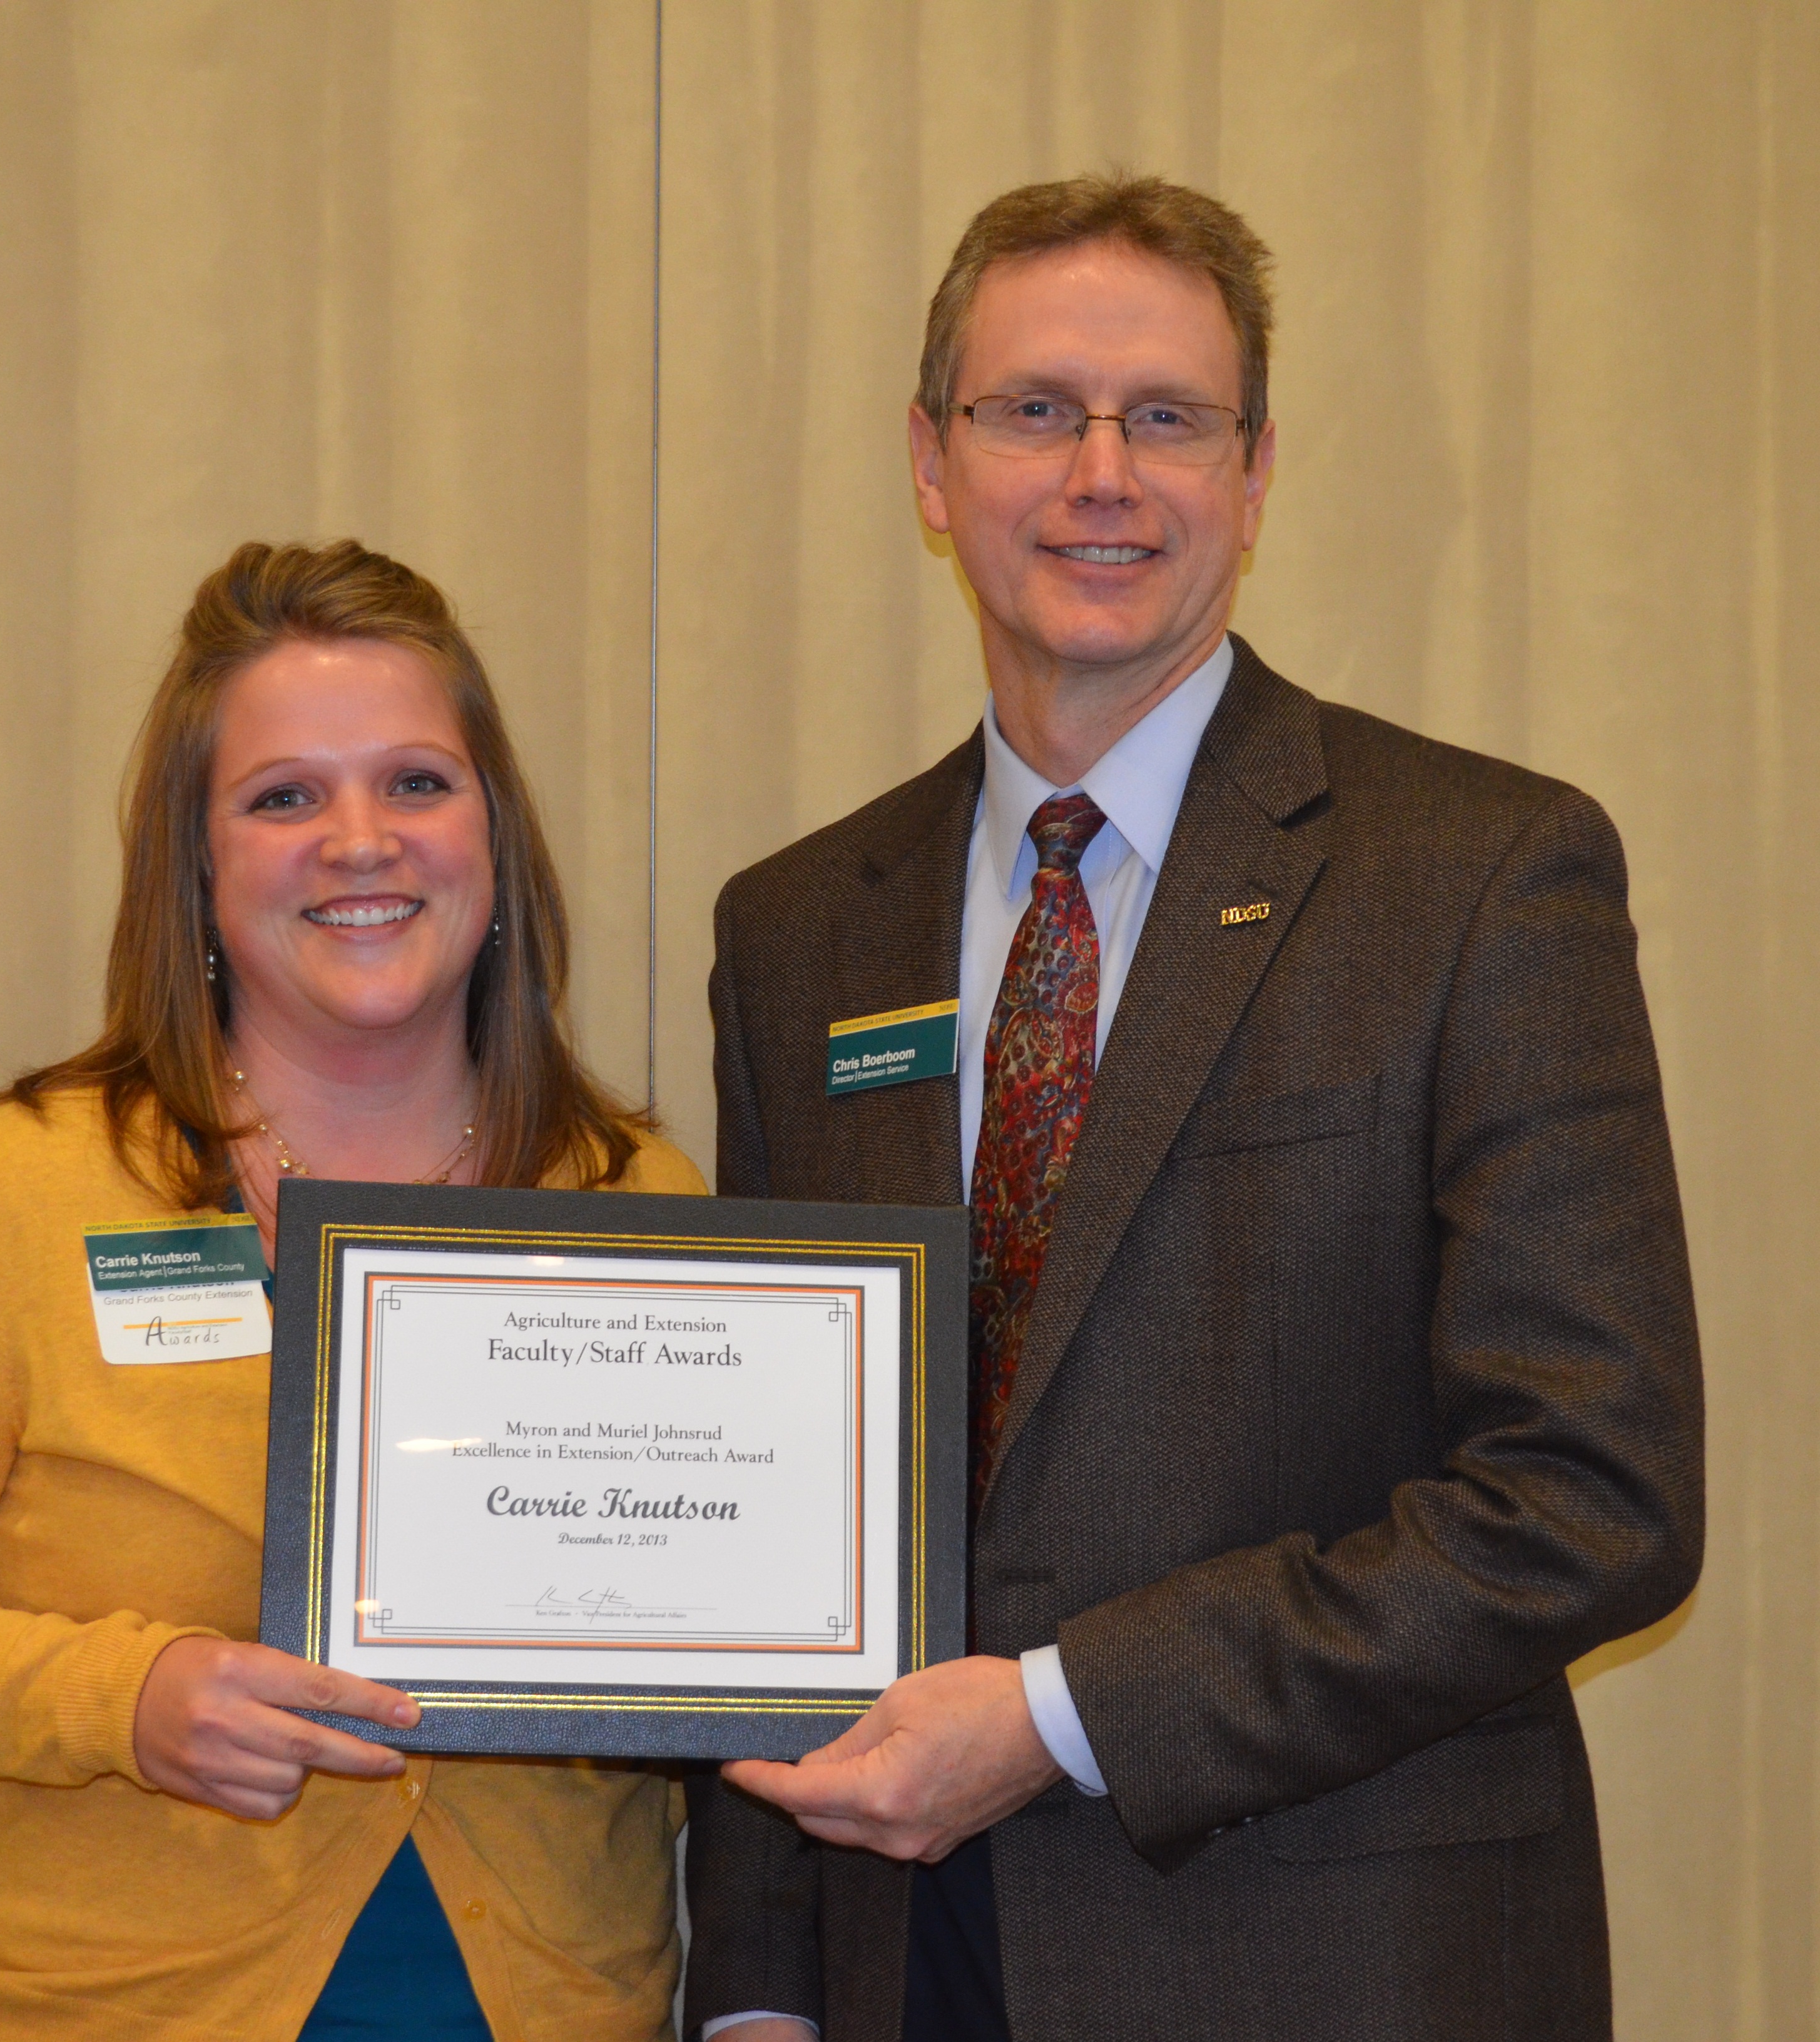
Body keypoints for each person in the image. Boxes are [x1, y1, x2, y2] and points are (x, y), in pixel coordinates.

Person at [683, 174, 1704, 2042]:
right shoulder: (798, 932)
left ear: (1252, 473)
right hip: (904, 1970)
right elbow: (773, 1529)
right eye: (1032, 410)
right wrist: (758, 1990)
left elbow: (1593, 1495)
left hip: (1332, 1968)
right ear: (930, 464)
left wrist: (1066, 1715)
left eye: (1167, 417)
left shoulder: (1480, 875)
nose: (1102, 473)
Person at [0, 540, 703, 2041]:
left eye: (418, 784)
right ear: (197, 861)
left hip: (557, 2004)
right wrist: (126, 1696)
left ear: (495, 839)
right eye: (283, 796)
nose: (359, 841)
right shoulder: (19, 1195)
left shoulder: (641, 1199)